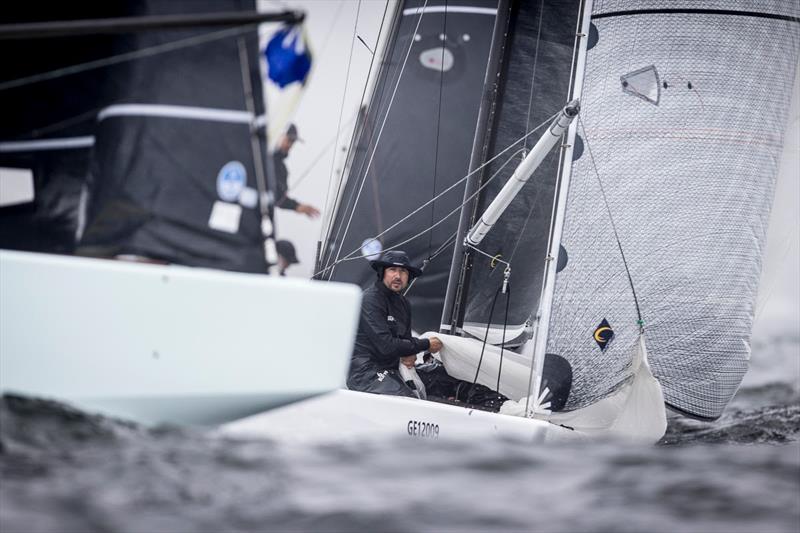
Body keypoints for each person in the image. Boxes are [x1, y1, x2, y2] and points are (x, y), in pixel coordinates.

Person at [347, 250, 444, 397]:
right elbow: (387, 346)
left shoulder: (404, 304)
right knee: (406, 398)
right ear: (382, 272)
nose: (398, 276)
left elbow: (405, 341)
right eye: (392, 270)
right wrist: (426, 344)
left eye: (403, 271)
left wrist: (410, 352)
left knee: (446, 380)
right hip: (365, 372)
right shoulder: (370, 300)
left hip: (393, 369)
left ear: (408, 276)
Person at [273, 124, 320, 218]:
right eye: (289, 140)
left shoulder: (282, 170)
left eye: (293, 142)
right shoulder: (259, 155)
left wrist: (298, 206)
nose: (290, 145)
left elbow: (279, 199)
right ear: (279, 135)